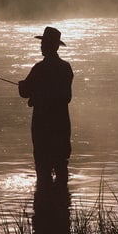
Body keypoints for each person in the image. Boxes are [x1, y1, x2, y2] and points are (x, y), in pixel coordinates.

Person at [19, 27, 73, 186]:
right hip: (62, 125)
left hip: (42, 126)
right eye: (41, 43)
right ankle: (63, 206)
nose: (41, 46)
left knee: (43, 171)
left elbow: (24, 92)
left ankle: (43, 205)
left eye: (43, 43)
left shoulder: (39, 69)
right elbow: (66, 98)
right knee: (62, 168)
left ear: (51, 46)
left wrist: (24, 87)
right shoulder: (66, 68)